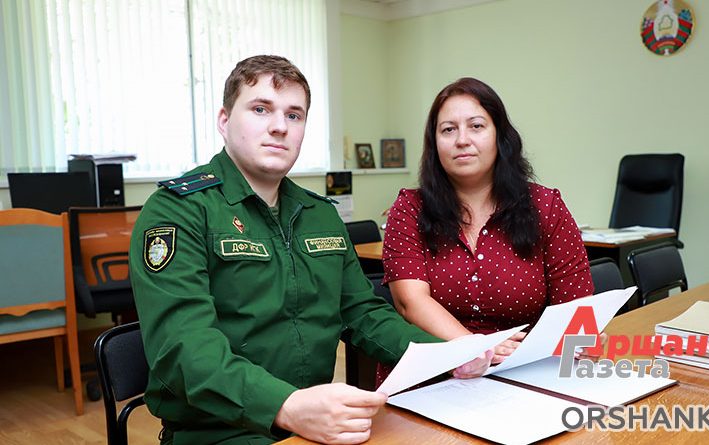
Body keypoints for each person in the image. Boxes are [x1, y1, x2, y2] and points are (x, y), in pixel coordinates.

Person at [130, 56, 490, 445]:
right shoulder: (178, 210)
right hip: (219, 431)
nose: (279, 126)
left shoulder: (319, 214)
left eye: (294, 115)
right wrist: (286, 406)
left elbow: (363, 314)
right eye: (260, 109)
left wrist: (446, 357)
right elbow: (184, 349)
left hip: (314, 422)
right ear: (224, 119)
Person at [378, 77, 596, 383]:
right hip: (434, 373)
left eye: (476, 126)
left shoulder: (545, 206)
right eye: (448, 130)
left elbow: (575, 306)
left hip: (523, 370)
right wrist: (478, 347)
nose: (462, 140)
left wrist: (579, 343)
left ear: (500, 136)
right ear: (434, 144)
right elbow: (409, 302)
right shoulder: (409, 208)